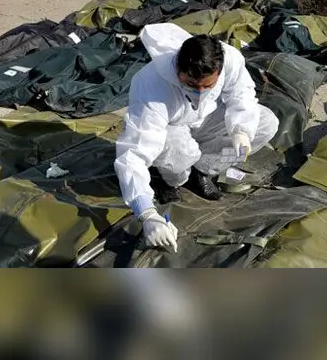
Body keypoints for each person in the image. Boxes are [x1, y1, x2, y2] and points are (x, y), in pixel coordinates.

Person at [113, 24, 279, 253]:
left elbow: (242, 96)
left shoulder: (229, 59)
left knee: (266, 122)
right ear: (178, 69)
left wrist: (241, 131)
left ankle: (203, 170)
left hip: (205, 119)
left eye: (207, 85)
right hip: (171, 130)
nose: (200, 91)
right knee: (179, 153)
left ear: (218, 72)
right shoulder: (151, 85)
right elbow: (134, 153)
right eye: (191, 84)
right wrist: (147, 214)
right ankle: (171, 178)